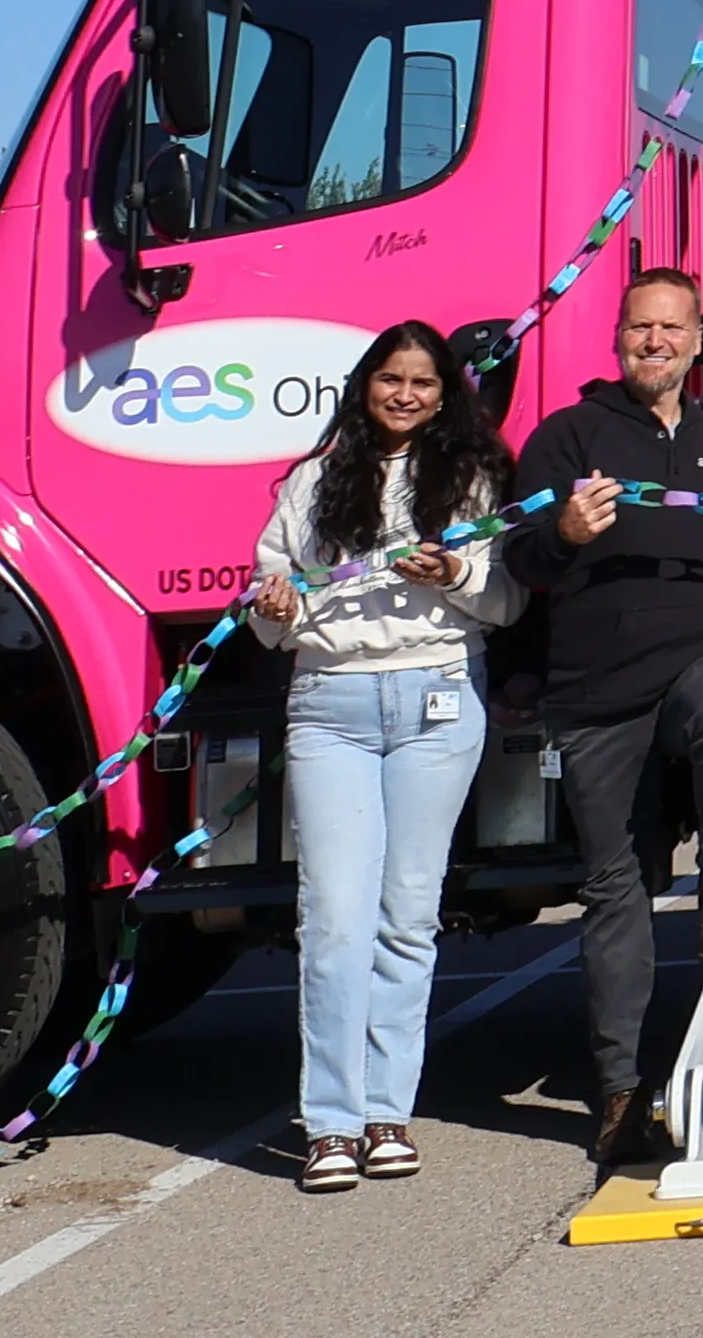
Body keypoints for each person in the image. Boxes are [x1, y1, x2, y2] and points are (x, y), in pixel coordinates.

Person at [505, 270, 703, 1168]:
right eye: (639, 327)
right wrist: (566, 535)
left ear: (699, 342)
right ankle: (621, 1093)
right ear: (617, 337)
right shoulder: (566, 437)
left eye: (672, 328)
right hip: (596, 694)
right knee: (614, 890)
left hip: (695, 661)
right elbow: (522, 559)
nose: (655, 341)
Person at [245, 319, 510, 1191]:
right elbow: (267, 615)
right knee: (333, 920)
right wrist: (276, 607)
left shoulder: (471, 481)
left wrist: (458, 578)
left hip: (438, 699)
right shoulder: (314, 482)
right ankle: (330, 1123)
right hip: (331, 709)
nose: (406, 395)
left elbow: (506, 603)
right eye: (391, 379)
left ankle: (389, 1113)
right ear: (366, 386)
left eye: (424, 383)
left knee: (407, 916)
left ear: (445, 395)